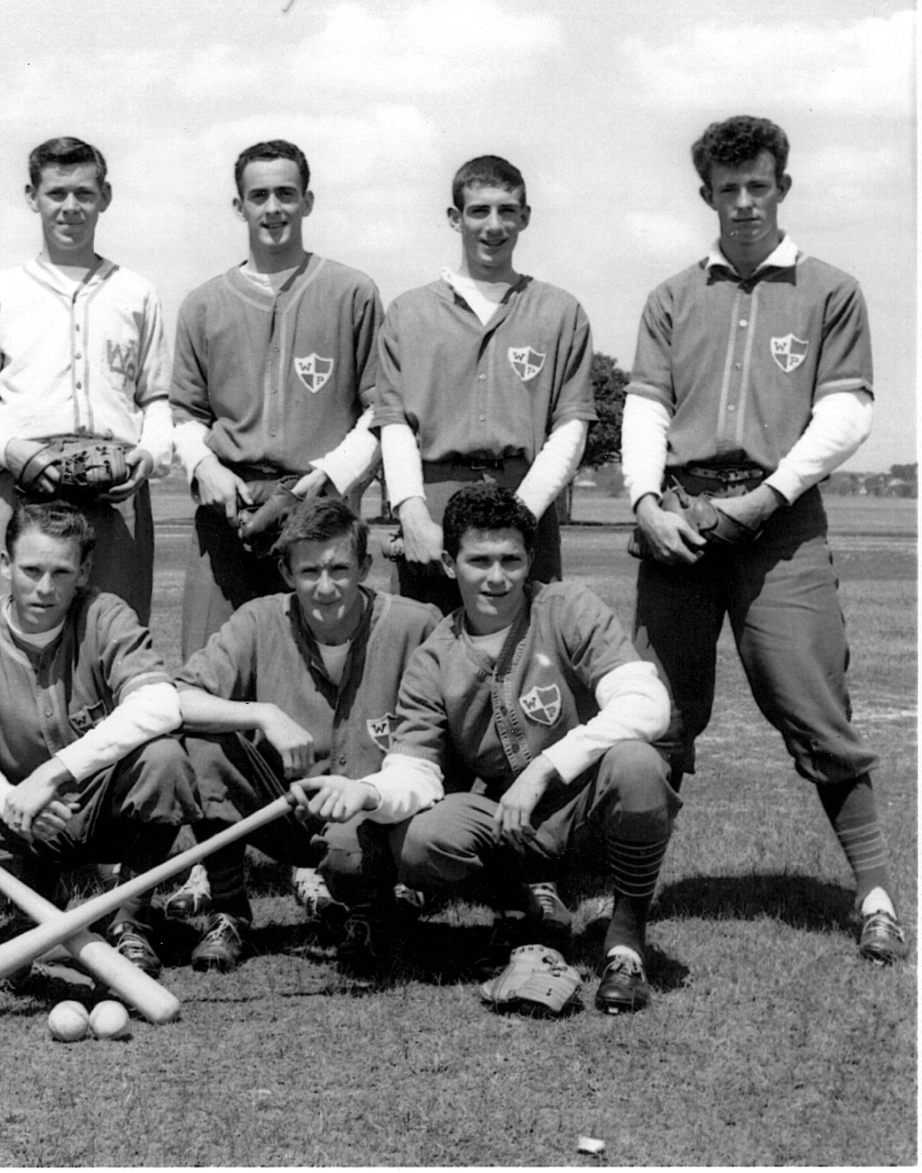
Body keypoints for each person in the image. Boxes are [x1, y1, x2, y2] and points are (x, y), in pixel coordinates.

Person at [621, 115, 907, 964]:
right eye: (728, 188)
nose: (744, 203)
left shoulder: (831, 289)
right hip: (681, 519)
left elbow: (847, 410)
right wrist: (641, 501)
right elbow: (647, 407)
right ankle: (630, 913)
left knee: (813, 701)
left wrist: (770, 494)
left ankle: (878, 895)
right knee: (654, 713)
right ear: (706, 194)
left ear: (784, 188)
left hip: (779, 523)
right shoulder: (673, 296)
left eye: (759, 186)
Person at [296, 484, 679, 1013]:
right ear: (450, 565)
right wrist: (363, 791)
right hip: (507, 823)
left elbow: (647, 703)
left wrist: (545, 767)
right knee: (421, 838)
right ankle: (520, 905)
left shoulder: (567, 607)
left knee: (637, 763)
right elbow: (416, 772)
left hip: (581, 810)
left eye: (511, 560)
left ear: (530, 560)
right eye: (479, 561)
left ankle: (626, 943)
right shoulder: (435, 657)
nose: (497, 578)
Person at [168, 141, 385, 923]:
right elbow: (181, 414)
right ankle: (210, 869)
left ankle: (318, 857)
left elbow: (378, 410)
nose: (273, 207)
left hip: (317, 510)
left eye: (286, 192)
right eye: (257, 195)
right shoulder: (202, 302)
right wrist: (209, 472)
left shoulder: (354, 292)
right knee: (211, 685)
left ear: (307, 199)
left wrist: (319, 480)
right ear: (239, 206)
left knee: (330, 684)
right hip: (228, 511)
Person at [171, 497, 442, 971]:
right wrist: (263, 714)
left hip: (374, 812)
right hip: (285, 809)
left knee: (355, 854)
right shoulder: (258, 620)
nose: (325, 587)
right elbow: (179, 699)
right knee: (203, 741)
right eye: (309, 571)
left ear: (365, 566)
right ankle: (229, 910)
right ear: (285, 571)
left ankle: (370, 909)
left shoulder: (415, 624)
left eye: (339, 569)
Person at [0, 501, 195, 976]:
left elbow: (158, 701)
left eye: (61, 571)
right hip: (25, 822)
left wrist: (53, 775)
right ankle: (53, 906)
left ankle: (131, 920)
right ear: (5, 564)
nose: (45, 587)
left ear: (84, 570)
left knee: (164, 761)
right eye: (31, 570)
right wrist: (15, 801)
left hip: (100, 807)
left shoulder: (104, 613)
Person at [0, 136, 171, 623]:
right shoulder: (1, 293)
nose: (70, 208)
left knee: (117, 644)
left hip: (115, 493)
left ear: (104, 197)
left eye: (84, 194)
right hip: (24, 487)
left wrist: (150, 453)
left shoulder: (136, 293)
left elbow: (156, 399)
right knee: (12, 649)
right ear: (33, 197)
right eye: (56, 194)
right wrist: (10, 450)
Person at [374, 155, 596, 616]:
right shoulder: (408, 313)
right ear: (455, 218)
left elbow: (571, 426)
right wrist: (411, 514)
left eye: (507, 210)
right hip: (433, 502)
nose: (493, 226)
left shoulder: (560, 312)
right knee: (421, 658)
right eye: (479, 211)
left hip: (525, 499)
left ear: (525, 217)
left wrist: (520, 516)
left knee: (530, 663)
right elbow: (393, 423)